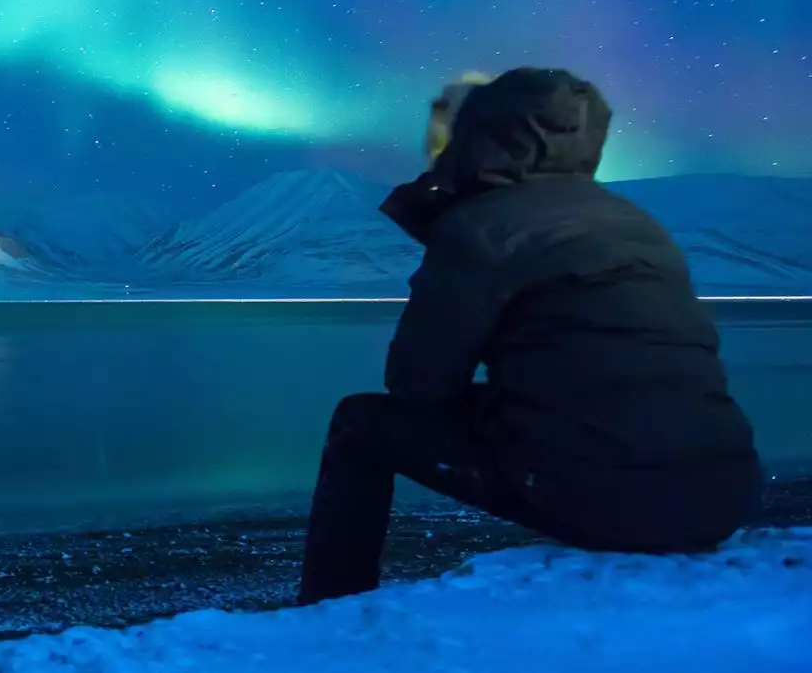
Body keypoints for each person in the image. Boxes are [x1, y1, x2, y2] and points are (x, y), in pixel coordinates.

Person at [295, 67, 764, 606]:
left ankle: (329, 606)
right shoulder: (633, 222)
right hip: (723, 497)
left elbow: (418, 386)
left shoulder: (482, 227)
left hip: (618, 506)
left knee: (359, 424)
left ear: (482, 138)